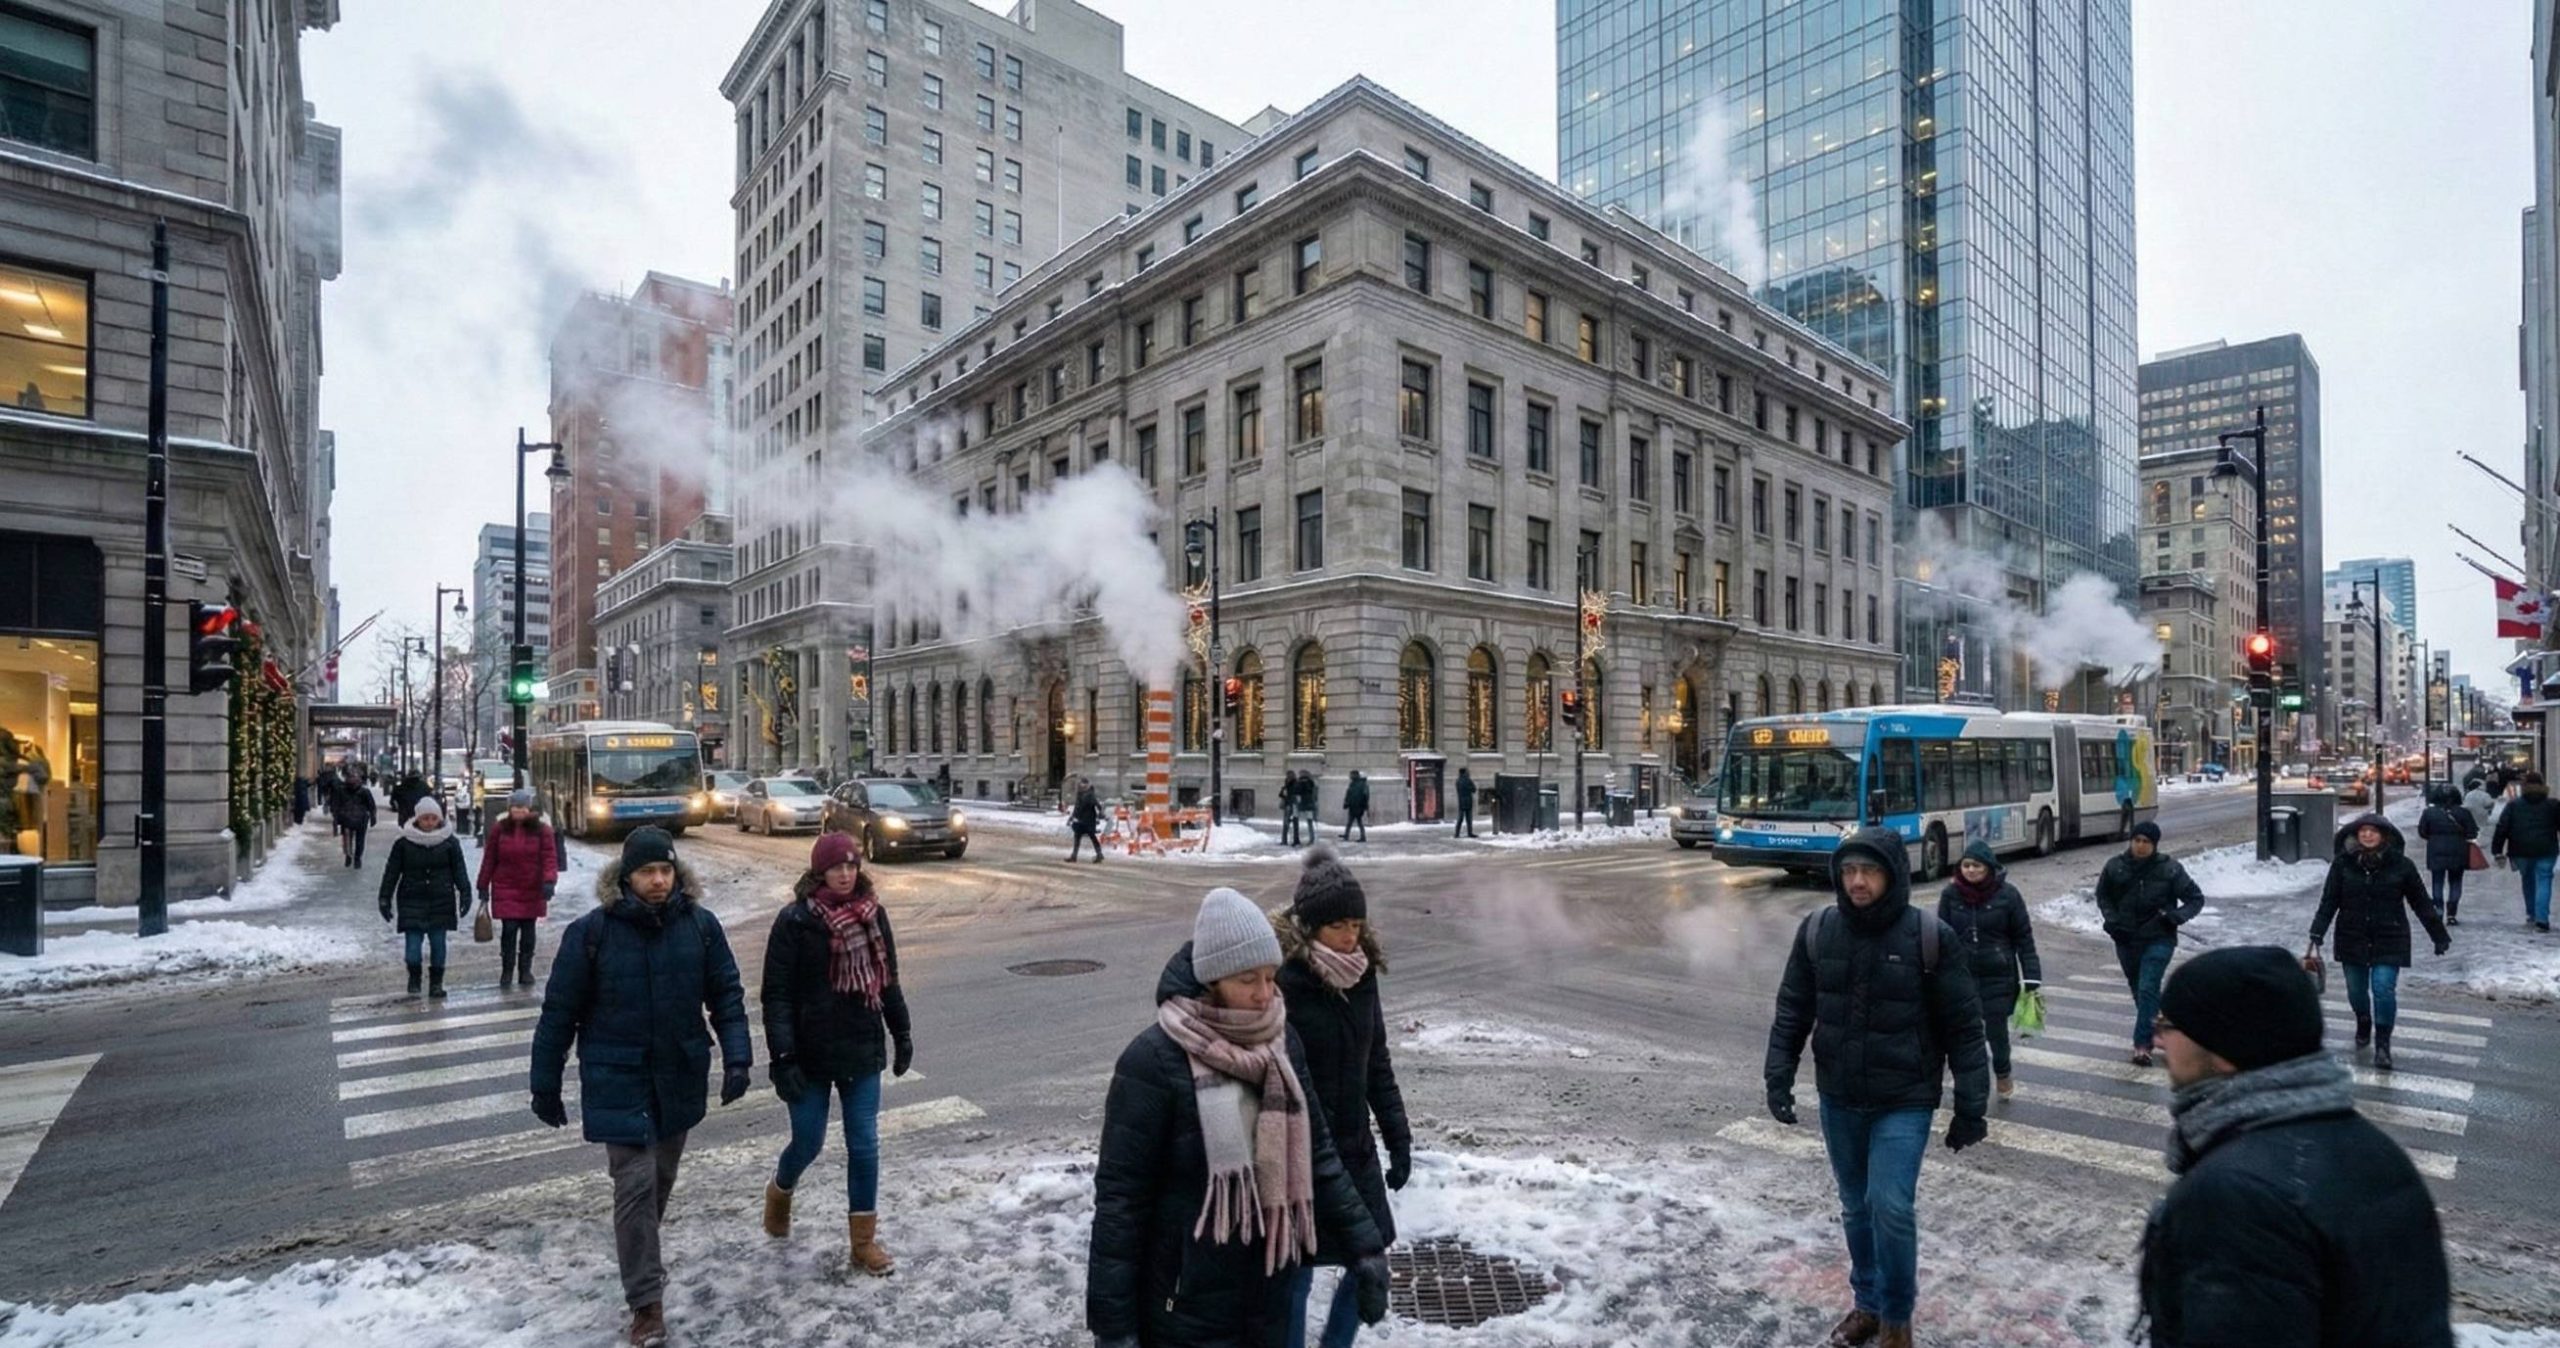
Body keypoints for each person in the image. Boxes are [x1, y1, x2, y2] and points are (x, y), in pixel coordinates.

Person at [1087, 887, 1391, 1348]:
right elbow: (1121, 1203)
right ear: (1213, 977)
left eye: (1270, 977)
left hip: (1269, 1289)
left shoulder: (1281, 1042)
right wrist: (1114, 1328)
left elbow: (1318, 1154)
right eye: (1248, 979)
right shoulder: (1153, 1062)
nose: (1264, 994)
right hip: (1184, 1305)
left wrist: (1365, 1247)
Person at [2137, 946, 2454, 1346]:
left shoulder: (2236, 1199)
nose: (2157, 1040)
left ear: (2224, 1047)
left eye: (2168, 1024)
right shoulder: (2376, 1151)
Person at [1766, 826, 1990, 1348]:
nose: (1857, 882)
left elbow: (1964, 1027)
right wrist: (1778, 1074)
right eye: (1848, 871)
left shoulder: (1929, 937)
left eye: (1868, 871)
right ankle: (1866, 1304)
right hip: (1839, 1095)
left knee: (1890, 1206)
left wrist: (1970, 1106)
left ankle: (1895, 1319)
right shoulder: (1818, 930)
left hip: (1904, 1099)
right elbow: (1793, 1009)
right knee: (1855, 1206)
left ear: (1892, 875)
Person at [529, 827, 753, 1348]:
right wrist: (545, 1083)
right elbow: (559, 1013)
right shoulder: (592, 933)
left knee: (658, 1182)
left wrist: (738, 1059)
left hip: (679, 1073)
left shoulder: (700, 927)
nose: (658, 880)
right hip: (618, 1076)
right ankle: (646, 1305)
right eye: (648, 871)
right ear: (626, 877)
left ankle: (640, 1259)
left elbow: (726, 995)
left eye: (665, 870)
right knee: (634, 1185)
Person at [1272, 850, 1411, 1348]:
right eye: (1338, 926)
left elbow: (1377, 1063)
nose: (1350, 936)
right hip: (1298, 1155)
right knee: (1296, 1273)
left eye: (1356, 924)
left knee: (1370, 1261)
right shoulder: (1283, 982)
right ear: (1311, 927)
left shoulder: (1362, 975)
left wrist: (1398, 1137)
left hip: (1354, 1149)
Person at [761, 831, 914, 1275]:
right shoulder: (794, 921)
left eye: (851, 866)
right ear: (819, 872)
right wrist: (783, 1056)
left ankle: (863, 1243)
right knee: (808, 1141)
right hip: (808, 1053)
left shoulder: (873, 915)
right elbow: (776, 995)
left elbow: (887, 979)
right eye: (836, 868)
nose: (845, 874)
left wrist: (901, 1032)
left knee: (863, 1143)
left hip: (861, 1046)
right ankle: (780, 1188)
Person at [2310, 814, 2452, 1072]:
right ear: (2356, 835)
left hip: (2390, 936)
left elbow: (2421, 902)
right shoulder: (2343, 864)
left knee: (2383, 988)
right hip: (2352, 936)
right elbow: (2329, 900)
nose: (2367, 835)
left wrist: (2438, 935)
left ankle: (2383, 1045)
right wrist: (2317, 931)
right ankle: (2363, 1020)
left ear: (2384, 835)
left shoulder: (2402, 866)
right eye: (2363, 831)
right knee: (2356, 991)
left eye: (2373, 831)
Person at [2093, 821, 2205, 1067]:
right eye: (2137, 840)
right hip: (2126, 938)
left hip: (2159, 937)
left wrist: (2174, 917)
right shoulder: (2115, 866)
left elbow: (2195, 899)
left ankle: (2142, 1045)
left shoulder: (2169, 869)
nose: (2141, 846)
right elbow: (2103, 896)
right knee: (2141, 991)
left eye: (2146, 842)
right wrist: (2112, 920)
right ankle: (2165, 1026)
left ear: (2154, 845)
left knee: (2147, 987)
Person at [1936, 839, 2042, 1100]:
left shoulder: (2008, 895)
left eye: (1977, 866)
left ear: (1989, 867)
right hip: (1963, 976)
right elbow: (1940, 935)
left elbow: (2024, 938)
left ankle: (2003, 1072)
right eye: (1966, 865)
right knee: (1966, 1033)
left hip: (1998, 976)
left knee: (1996, 1033)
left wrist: (2032, 976)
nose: (1971, 870)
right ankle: (1973, 1082)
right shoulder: (1951, 895)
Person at [377, 796, 471, 998]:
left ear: (439, 819)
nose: (429, 822)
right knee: (412, 948)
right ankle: (414, 977)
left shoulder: (450, 843)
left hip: (441, 901)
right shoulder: (403, 843)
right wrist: (384, 897)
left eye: (433, 818)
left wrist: (465, 892)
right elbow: (392, 872)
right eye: (425, 818)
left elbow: (459, 870)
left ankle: (436, 983)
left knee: (438, 945)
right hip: (412, 900)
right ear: (417, 819)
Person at [477, 788, 560, 990]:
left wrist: (549, 880)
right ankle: (507, 970)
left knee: (528, 931)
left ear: (529, 808)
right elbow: (489, 858)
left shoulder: (542, 830)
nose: (518, 810)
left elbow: (549, 857)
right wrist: (483, 885)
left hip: (532, 888)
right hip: (505, 886)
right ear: (509, 808)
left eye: (522, 807)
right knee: (509, 930)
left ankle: (525, 970)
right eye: (515, 807)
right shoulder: (500, 829)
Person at [2490, 770, 2560, 932]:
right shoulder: (2553, 805)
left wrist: (2497, 850)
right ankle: (2542, 919)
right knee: (2544, 880)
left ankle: (2532, 914)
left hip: (2520, 849)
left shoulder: (2514, 805)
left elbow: (2502, 828)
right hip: (2546, 849)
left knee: (2528, 880)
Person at [2415, 785, 2479, 925]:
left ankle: (2438, 910)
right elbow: (2472, 832)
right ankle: (2452, 914)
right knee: (2455, 882)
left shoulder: (2429, 813)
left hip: (2435, 850)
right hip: (2458, 850)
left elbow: (2422, 832)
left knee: (2437, 882)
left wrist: (2434, 838)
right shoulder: (2463, 813)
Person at [331, 766, 377, 869]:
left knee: (349, 839)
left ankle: (351, 856)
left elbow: (335, 805)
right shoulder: (363, 791)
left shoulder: (342, 790)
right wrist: (373, 817)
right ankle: (355, 858)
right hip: (358, 819)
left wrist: (336, 818)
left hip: (349, 819)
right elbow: (371, 806)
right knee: (358, 840)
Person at [1069, 777, 1105, 864]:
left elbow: (1097, 805)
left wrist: (1101, 813)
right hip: (1081, 820)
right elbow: (1077, 807)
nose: (1081, 786)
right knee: (1078, 837)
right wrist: (1072, 816)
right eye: (1081, 784)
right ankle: (1074, 856)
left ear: (1087, 786)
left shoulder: (1090, 794)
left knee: (1092, 837)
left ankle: (1099, 854)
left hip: (1089, 820)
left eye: (1083, 785)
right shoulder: (1080, 794)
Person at [1338, 771, 1369, 844]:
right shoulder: (1355, 784)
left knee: (1356, 822)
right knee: (1353, 822)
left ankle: (1360, 836)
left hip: (1357, 806)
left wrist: (1348, 802)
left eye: (1351, 775)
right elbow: (1349, 794)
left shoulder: (1359, 785)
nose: (1350, 776)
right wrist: (1347, 802)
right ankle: (1348, 835)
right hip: (1354, 806)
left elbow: (1363, 796)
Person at [1452, 766, 1477, 840]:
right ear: (1465, 772)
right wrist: (1469, 789)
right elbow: (1474, 789)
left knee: (1460, 818)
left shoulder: (1458, 781)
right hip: (1468, 801)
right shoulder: (1468, 780)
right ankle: (1470, 832)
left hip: (1461, 802)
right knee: (1469, 819)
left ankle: (1457, 833)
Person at [1280, 771, 1302, 847]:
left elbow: (1295, 794)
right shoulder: (1289, 783)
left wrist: (1285, 793)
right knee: (1291, 823)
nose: (1287, 777)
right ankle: (1290, 840)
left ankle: (1288, 840)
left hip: (1291, 805)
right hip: (1291, 805)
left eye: (1288, 776)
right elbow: (1281, 794)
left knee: (1289, 823)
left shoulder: (1294, 784)